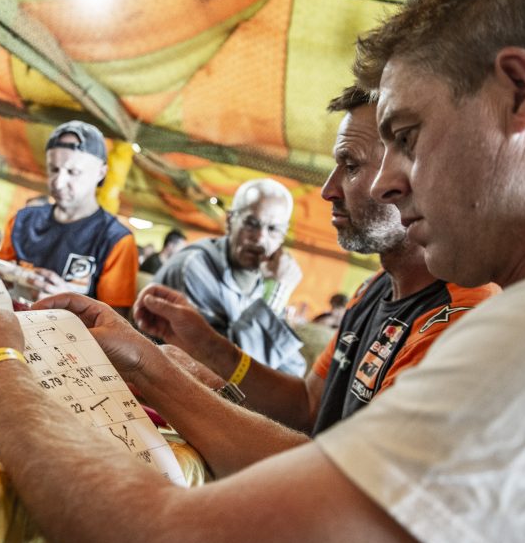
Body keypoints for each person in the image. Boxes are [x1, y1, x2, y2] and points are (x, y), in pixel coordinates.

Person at [0, 0, 525, 543]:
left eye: (408, 137)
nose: (390, 182)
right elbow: (315, 411)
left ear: (518, 93)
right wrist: (155, 360)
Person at [134, 86, 498, 438]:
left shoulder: (462, 316)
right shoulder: (372, 289)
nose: (328, 190)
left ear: (412, 176)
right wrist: (204, 342)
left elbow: (349, 471)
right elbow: (308, 406)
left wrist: (167, 379)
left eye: (350, 166)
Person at [152, 178, 306, 376]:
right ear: (230, 221)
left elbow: (294, 368)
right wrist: (278, 292)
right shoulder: (194, 268)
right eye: (251, 224)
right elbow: (226, 369)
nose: (260, 238)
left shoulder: (260, 279)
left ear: (283, 237)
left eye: (273, 229)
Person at [0, 120, 138, 316]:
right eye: (53, 169)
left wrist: (71, 303)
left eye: (73, 172)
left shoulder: (116, 240)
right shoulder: (22, 221)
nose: (58, 183)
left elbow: (116, 321)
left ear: (101, 173)